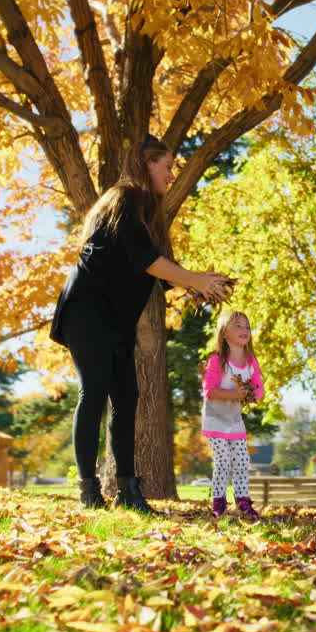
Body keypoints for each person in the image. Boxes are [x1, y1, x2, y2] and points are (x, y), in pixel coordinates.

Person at [50, 134, 232, 513]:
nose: (171, 174)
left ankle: (130, 491)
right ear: (146, 164)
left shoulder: (146, 212)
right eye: (167, 166)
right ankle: (88, 490)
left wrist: (202, 283)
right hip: (87, 309)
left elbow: (163, 274)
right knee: (95, 390)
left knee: (127, 397)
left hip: (115, 318)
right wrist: (194, 278)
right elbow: (147, 260)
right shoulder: (126, 198)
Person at [200, 311, 265, 520]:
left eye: (247, 326)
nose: (244, 330)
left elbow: (259, 387)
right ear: (224, 332)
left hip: (235, 422)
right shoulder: (217, 360)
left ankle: (243, 501)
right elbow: (209, 391)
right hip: (215, 419)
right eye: (238, 326)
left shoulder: (250, 361)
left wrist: (254, 394)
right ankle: (219, 502)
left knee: (241, 461)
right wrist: (235, 394)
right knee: (223, 461)